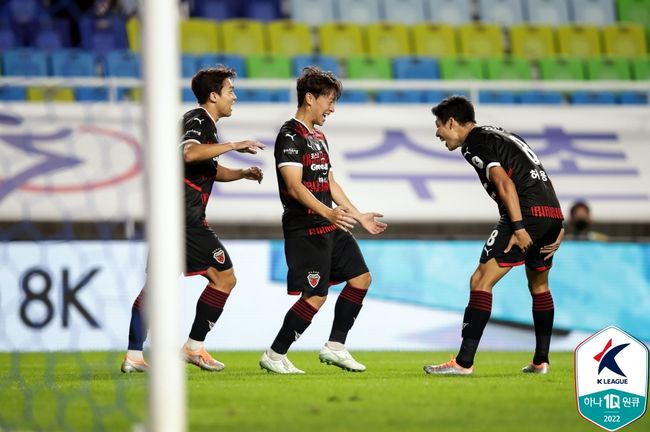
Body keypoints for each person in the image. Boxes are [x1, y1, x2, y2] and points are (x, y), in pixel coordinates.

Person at [121, 66, 265, 373]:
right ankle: (194, 347)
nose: (234, 97)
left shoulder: (200, 124)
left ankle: (133, 356)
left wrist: (241, 173)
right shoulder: (199, 120)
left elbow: (207, 167)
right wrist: (234, 145)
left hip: (170, 219)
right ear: (213, 96)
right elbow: (189, 154)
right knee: (225, 277)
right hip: (185, 220)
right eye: (230, 91)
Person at [259, 66, 387, 374]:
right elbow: (293, 185)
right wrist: (327, 211)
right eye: (328, 101)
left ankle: (335, 346)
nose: (332, 108)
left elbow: (329, 181)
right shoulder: (289, 135)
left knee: (361, 278)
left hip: (331, 225)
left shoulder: (318, 136)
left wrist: (356, 215)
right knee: (315, 296)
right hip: (305, 228)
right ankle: (275, 355)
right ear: (309, 98)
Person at [425, 96, 564, 375]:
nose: (437, 133)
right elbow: (538, 175)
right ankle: (541, 361)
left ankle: (463, 363)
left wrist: (519, 226)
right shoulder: (502, 134)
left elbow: (504, 182)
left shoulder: (474, 143)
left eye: (438, 126)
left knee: (480, 281)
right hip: (551, 215)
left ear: (451, 122)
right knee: (539, 286)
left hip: (525, 216)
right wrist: (558, 223)